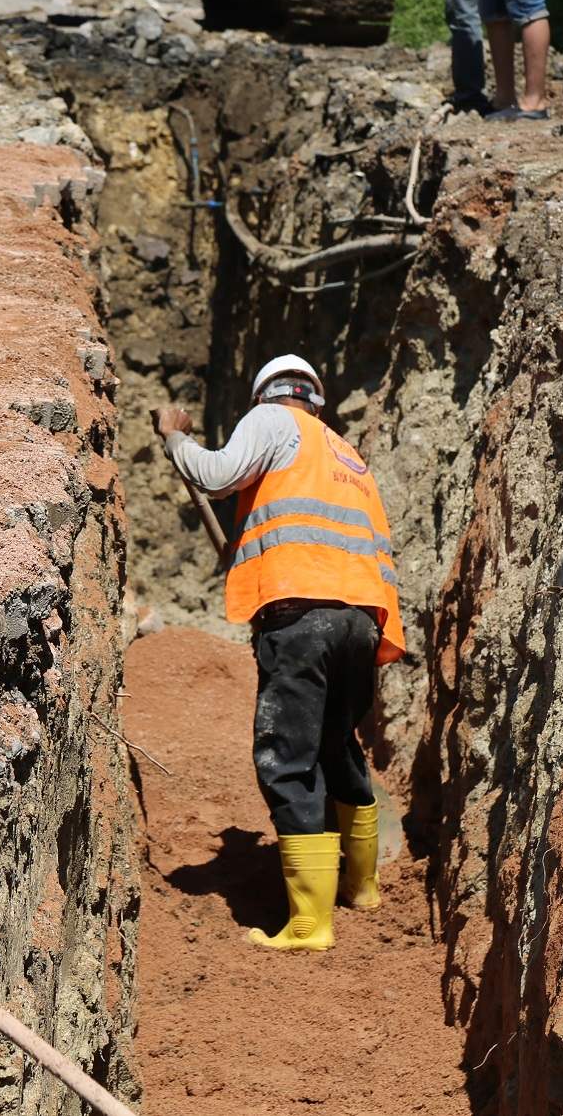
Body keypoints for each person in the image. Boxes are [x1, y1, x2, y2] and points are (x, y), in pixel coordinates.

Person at [152, 356, 405, 953]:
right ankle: (360, 886)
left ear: (268, 396)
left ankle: (310, 925)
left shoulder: (272, 422)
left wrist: (175, 437)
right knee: (337, 745)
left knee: (286, 760)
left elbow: (217, 475)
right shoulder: (345, 456)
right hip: (360, 623)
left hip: (301, 620)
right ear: (316, 399)